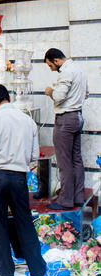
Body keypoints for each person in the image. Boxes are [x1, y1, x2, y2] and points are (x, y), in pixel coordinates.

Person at [0, 84, 46, 276]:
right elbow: (34, 157)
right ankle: (37, 269)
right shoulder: (28, 121)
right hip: (18, 177)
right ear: (8, 97)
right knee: (24, 222)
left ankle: (6, 273)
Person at [44, 48, 89, 210]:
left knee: (64, 161)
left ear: (56, 61)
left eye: (50, 66)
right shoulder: (79, 70)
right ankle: (77, 197)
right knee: (76, 158)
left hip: (65, 119)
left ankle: (65, 200)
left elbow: (58, 96)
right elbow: (86, 94)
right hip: (77, 116)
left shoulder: (66, 72)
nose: (51, 69)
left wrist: (50, 91)